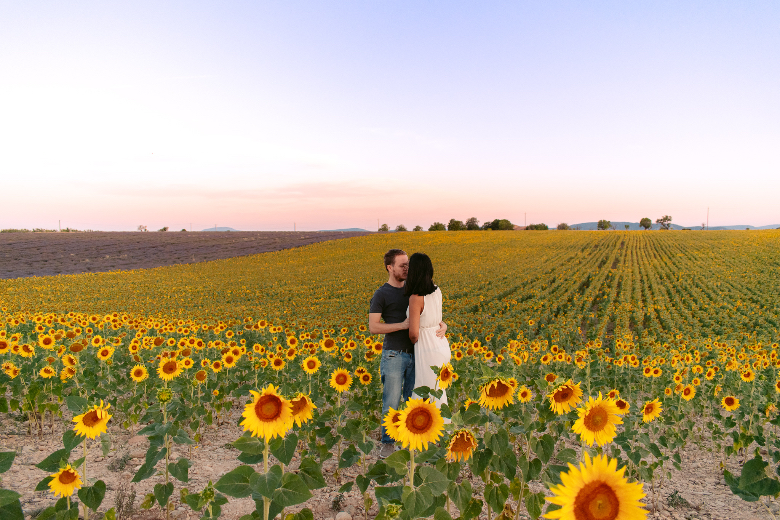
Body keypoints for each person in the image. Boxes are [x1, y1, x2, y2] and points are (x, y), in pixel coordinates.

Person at [369, 249, 446, 459]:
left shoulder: (415, 289)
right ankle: (388, 443)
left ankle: (415, 442)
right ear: (389, 268)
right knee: (392, 401)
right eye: (402, 265)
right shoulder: (382, 294)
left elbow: (428, 314)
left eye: (408, 265)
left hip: (419, 354)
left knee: (416, 400)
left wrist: (443, 325)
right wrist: (402, 325)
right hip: (394, 354)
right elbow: (373, 327)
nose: (406, 269)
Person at [406, 252, 451, 417]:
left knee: (425, 392)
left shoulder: (416, 298)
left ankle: (428, 429)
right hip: (441, 342)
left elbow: (413, 333)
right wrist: (444, 326)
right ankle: (443, 427)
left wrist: (414, 341)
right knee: (438, 392)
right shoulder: (437, 290)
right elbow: (437, 318)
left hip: (427, 347)